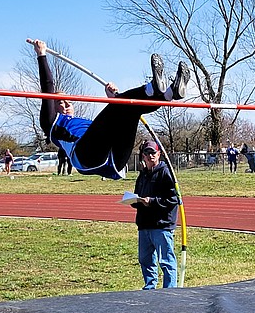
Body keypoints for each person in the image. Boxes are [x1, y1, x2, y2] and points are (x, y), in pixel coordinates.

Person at [31, 38, 190, 180]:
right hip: (85, 158)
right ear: (52, 106)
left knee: (131, 109)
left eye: (68, 102)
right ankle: (153, 89)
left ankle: (170, 93)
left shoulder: (86, 122)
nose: (66, 105)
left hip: (114, 160)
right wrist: (41, 55)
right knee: (120, 106)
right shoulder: (51, 124)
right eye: (61, 102)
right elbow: (48, 87)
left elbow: (109, 127)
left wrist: (113, 99)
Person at [130, 139, 180, 289]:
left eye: (153, 152)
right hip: (144, 225)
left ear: (159, 154)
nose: (150, 155)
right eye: (147, 153)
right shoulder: (143, 175)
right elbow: (138, 194)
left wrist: (151, 201)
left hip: (161, 225)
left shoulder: (166, 173)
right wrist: (134, 201)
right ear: (143, 156)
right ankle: (150, 287)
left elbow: (173, 199)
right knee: (145, 259)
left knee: (166, 260)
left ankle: (169, 291)